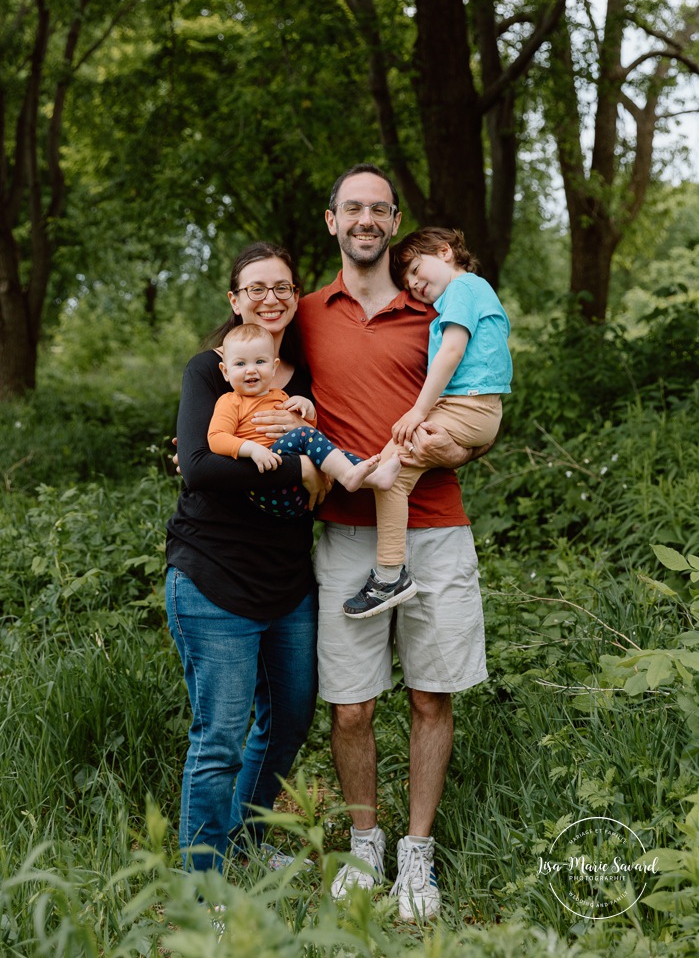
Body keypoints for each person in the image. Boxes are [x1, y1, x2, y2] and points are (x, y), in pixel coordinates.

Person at [251, 164, 491, 921]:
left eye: (377, 209)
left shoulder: (437, 306)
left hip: (436, 527)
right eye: (351, 208)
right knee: (350, 707)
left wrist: (468, 445)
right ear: (331, 221)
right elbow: (250, 376)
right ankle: (366, 843)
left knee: (430, 695)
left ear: (393, 222)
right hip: (348, 535)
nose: (364, 220)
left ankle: (416, 856)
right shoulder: (307, 312)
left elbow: (481, 396)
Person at [165, 241, 326, 876]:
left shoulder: (307, 373)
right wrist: (300, 466)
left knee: (287, 722)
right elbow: (199, 470)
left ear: (295, 296)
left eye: (283, 286)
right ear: (235, 301)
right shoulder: (211, 371)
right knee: (220, 741)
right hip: (213, 576)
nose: (270, 298)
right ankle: (202, 884)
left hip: (288, 578)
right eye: (255, 288)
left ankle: (248, 845)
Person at [343, 226, 512, 619]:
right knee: (391, 472)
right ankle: (386, 562)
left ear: (446, 251)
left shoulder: (463, 289)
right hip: (472, 408)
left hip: (469, 406)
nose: (416, 284)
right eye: (408, 282)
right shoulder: (461, 295)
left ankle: (389, 575)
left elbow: (452, 352)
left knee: (390, 473)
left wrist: (419, 410)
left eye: (418, 270)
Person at [207, 323, 401, 512]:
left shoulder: (281, 397)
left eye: (260, 362)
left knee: (329, 449)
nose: (251, 370)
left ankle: (375, 478)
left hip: (300, 491)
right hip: (265, 485)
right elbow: (216, 438)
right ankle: (349, 477)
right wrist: (251, 450)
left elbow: (311, 439)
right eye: (240, 363)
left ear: (274, 367)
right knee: (306, 436)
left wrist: (308, 411)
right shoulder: (231, 402)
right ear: (225, 371)